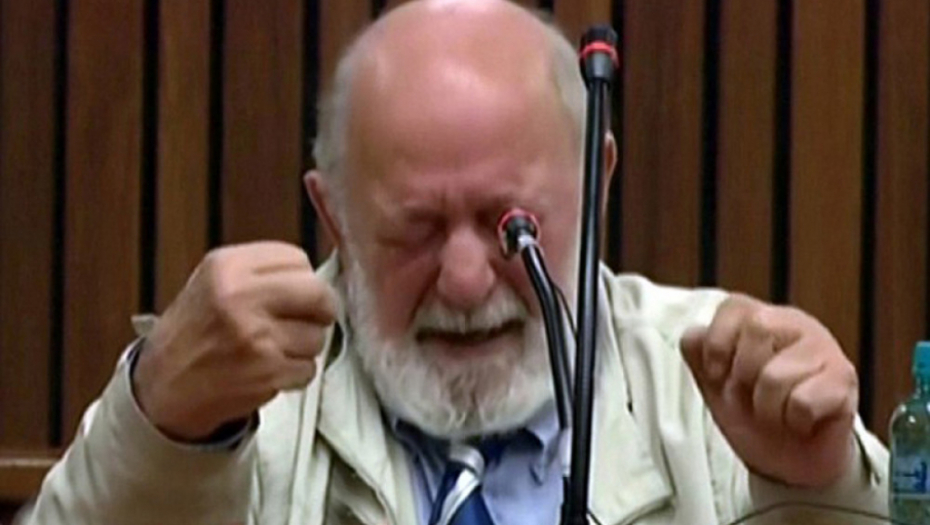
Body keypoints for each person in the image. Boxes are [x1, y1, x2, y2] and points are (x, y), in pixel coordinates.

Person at [20, 1, 888, 524]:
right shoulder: (230, 401)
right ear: (333, 216)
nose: (467, 283)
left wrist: (822, 487)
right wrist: (162, 435)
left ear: (597, 183)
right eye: (416, 230)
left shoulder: (719, 383)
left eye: (514, 225)